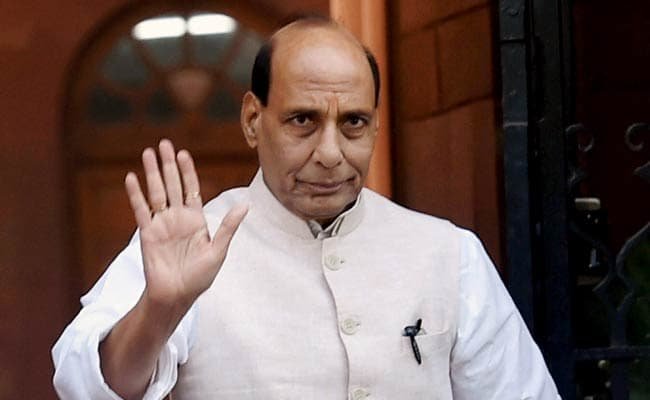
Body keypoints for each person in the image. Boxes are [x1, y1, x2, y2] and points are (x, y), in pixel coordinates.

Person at [52, 17, 560, 400]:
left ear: (376, 124)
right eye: (302, 120)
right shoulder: (194, 247)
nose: (330, 153)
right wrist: (160, 311)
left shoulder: (447, 253)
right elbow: (85, 385)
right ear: (253, 120)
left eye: (353, 123)